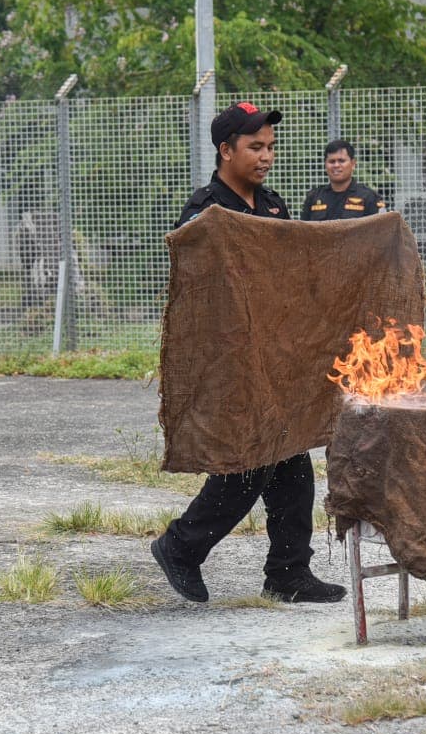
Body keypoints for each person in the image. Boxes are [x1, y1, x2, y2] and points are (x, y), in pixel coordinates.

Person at [150, 101, 347, 605]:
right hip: (230, 364)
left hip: (275, 361)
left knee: (293, 466)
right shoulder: (206, 211)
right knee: (249, 464)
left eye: (270, 147)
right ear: (225, 150)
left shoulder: (274, 206)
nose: (265, 156)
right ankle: (181, 545)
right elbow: (194, 285)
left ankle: (288, 573)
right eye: (255, 147)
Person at [300, 138, 386, 221]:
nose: (336, 165)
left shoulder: (369, 198)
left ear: (353, 164)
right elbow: (303, 231)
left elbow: (381, 231)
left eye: (341, 161)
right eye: (332, 161)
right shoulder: (313, 197)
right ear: (325, 165)